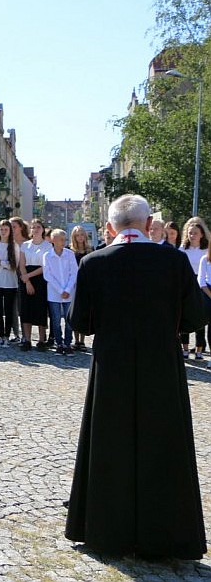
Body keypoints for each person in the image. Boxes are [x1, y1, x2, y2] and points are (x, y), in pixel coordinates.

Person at [65, 194, 207, 560]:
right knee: (163, 446)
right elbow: (195, 317)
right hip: (161, 365)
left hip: (112, 367)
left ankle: (107, 533)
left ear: (110, 227)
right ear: (148, 225)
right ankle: (165, 538)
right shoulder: (173, 261)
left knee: (110, 445)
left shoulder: (94, 262)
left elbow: (79, 320)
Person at [17, 218, 52, 352]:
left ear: (43, 229)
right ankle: (27, 339)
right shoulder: (25, 245)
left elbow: (45, 266)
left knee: (40, 309)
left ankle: (42, 340)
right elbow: (22, 264)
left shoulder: (47, 246)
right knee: (26, 308)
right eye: (33, 227)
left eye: (38, 227)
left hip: (40, 279)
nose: (36, 229)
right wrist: (26, 281)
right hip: (25, 279)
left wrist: (29, 277)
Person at [44, 229, 78, 355]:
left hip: (69, 293)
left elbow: (74, 272)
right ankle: (59, 343)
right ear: (53, 240)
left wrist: (68, 289)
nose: (64, 242)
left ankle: (68, 343)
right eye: (61, 239)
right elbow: (48, 275)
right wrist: (60, 290)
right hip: (54, 293)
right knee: (56, 319)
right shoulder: (47, 255)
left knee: (69, 320)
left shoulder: (69, 254)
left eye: (64, 239)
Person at [180, 217, 210, 360]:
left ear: (202, 234)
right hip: (186, 282)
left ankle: (199, 349)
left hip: (201, 286)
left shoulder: (206, 250)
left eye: (195, 233)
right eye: (190, 233)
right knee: (184, 315)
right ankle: (185, 348)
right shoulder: (182, 249)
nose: (192, 236)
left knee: (200, 316)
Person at [69, 225, 93, 350]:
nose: (80, 237)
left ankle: (82, 341)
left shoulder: (90, 250)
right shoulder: (70, 251)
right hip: (73, 284)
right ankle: (76, 340)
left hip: (86, 283)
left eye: (81, 235)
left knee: (85, 311)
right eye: (77, 235)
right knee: (75, 311)